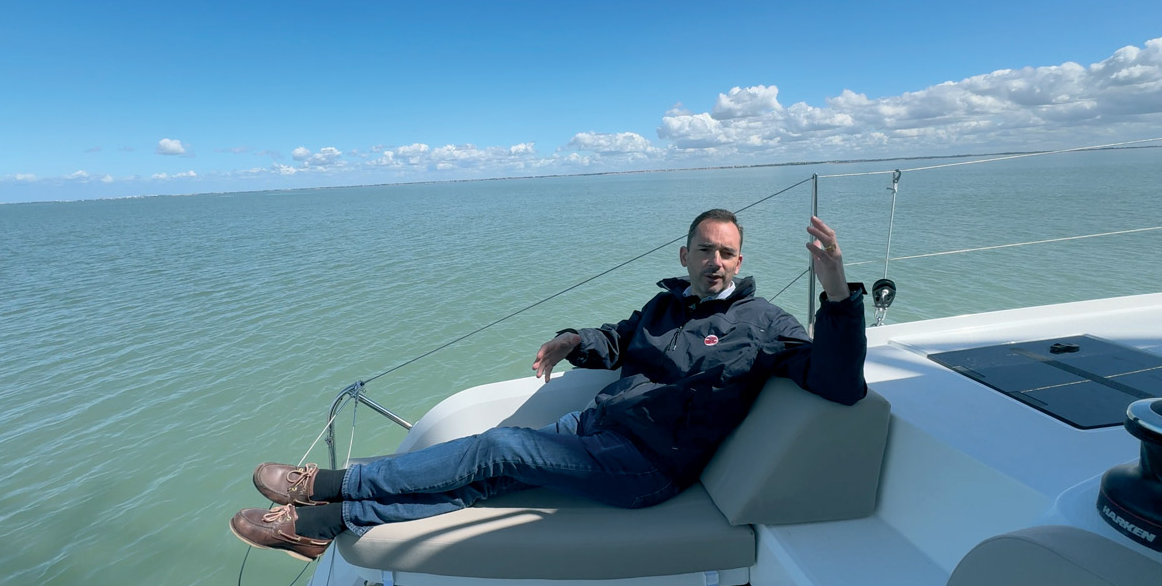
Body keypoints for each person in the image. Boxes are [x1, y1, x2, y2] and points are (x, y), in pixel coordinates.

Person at [230, 209, 867, 561]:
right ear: (684, 256)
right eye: (705, 250)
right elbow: (618, 338)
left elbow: (838, 384)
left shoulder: (765, 324)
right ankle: (324, 525)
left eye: (727, 253)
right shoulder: (664, 308)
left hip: (646, 467)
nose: (716, 262)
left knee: (499, 447)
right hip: (594, 432)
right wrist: (574, 341)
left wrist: (836, 291)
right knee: (486, 478)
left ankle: (330, 484)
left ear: (741, 260)